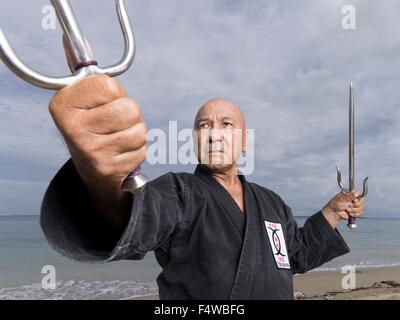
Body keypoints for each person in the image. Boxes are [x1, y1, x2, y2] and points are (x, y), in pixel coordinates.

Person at [40, 43, 365, 300]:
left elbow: (296, 256)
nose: (214, 133)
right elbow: (132, 225)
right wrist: (100, 180)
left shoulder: (272, 203)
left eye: (226, 124)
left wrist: (332, 211)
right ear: (195, 139)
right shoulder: (177, 193)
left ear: (245, 141)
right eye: (203, 125)